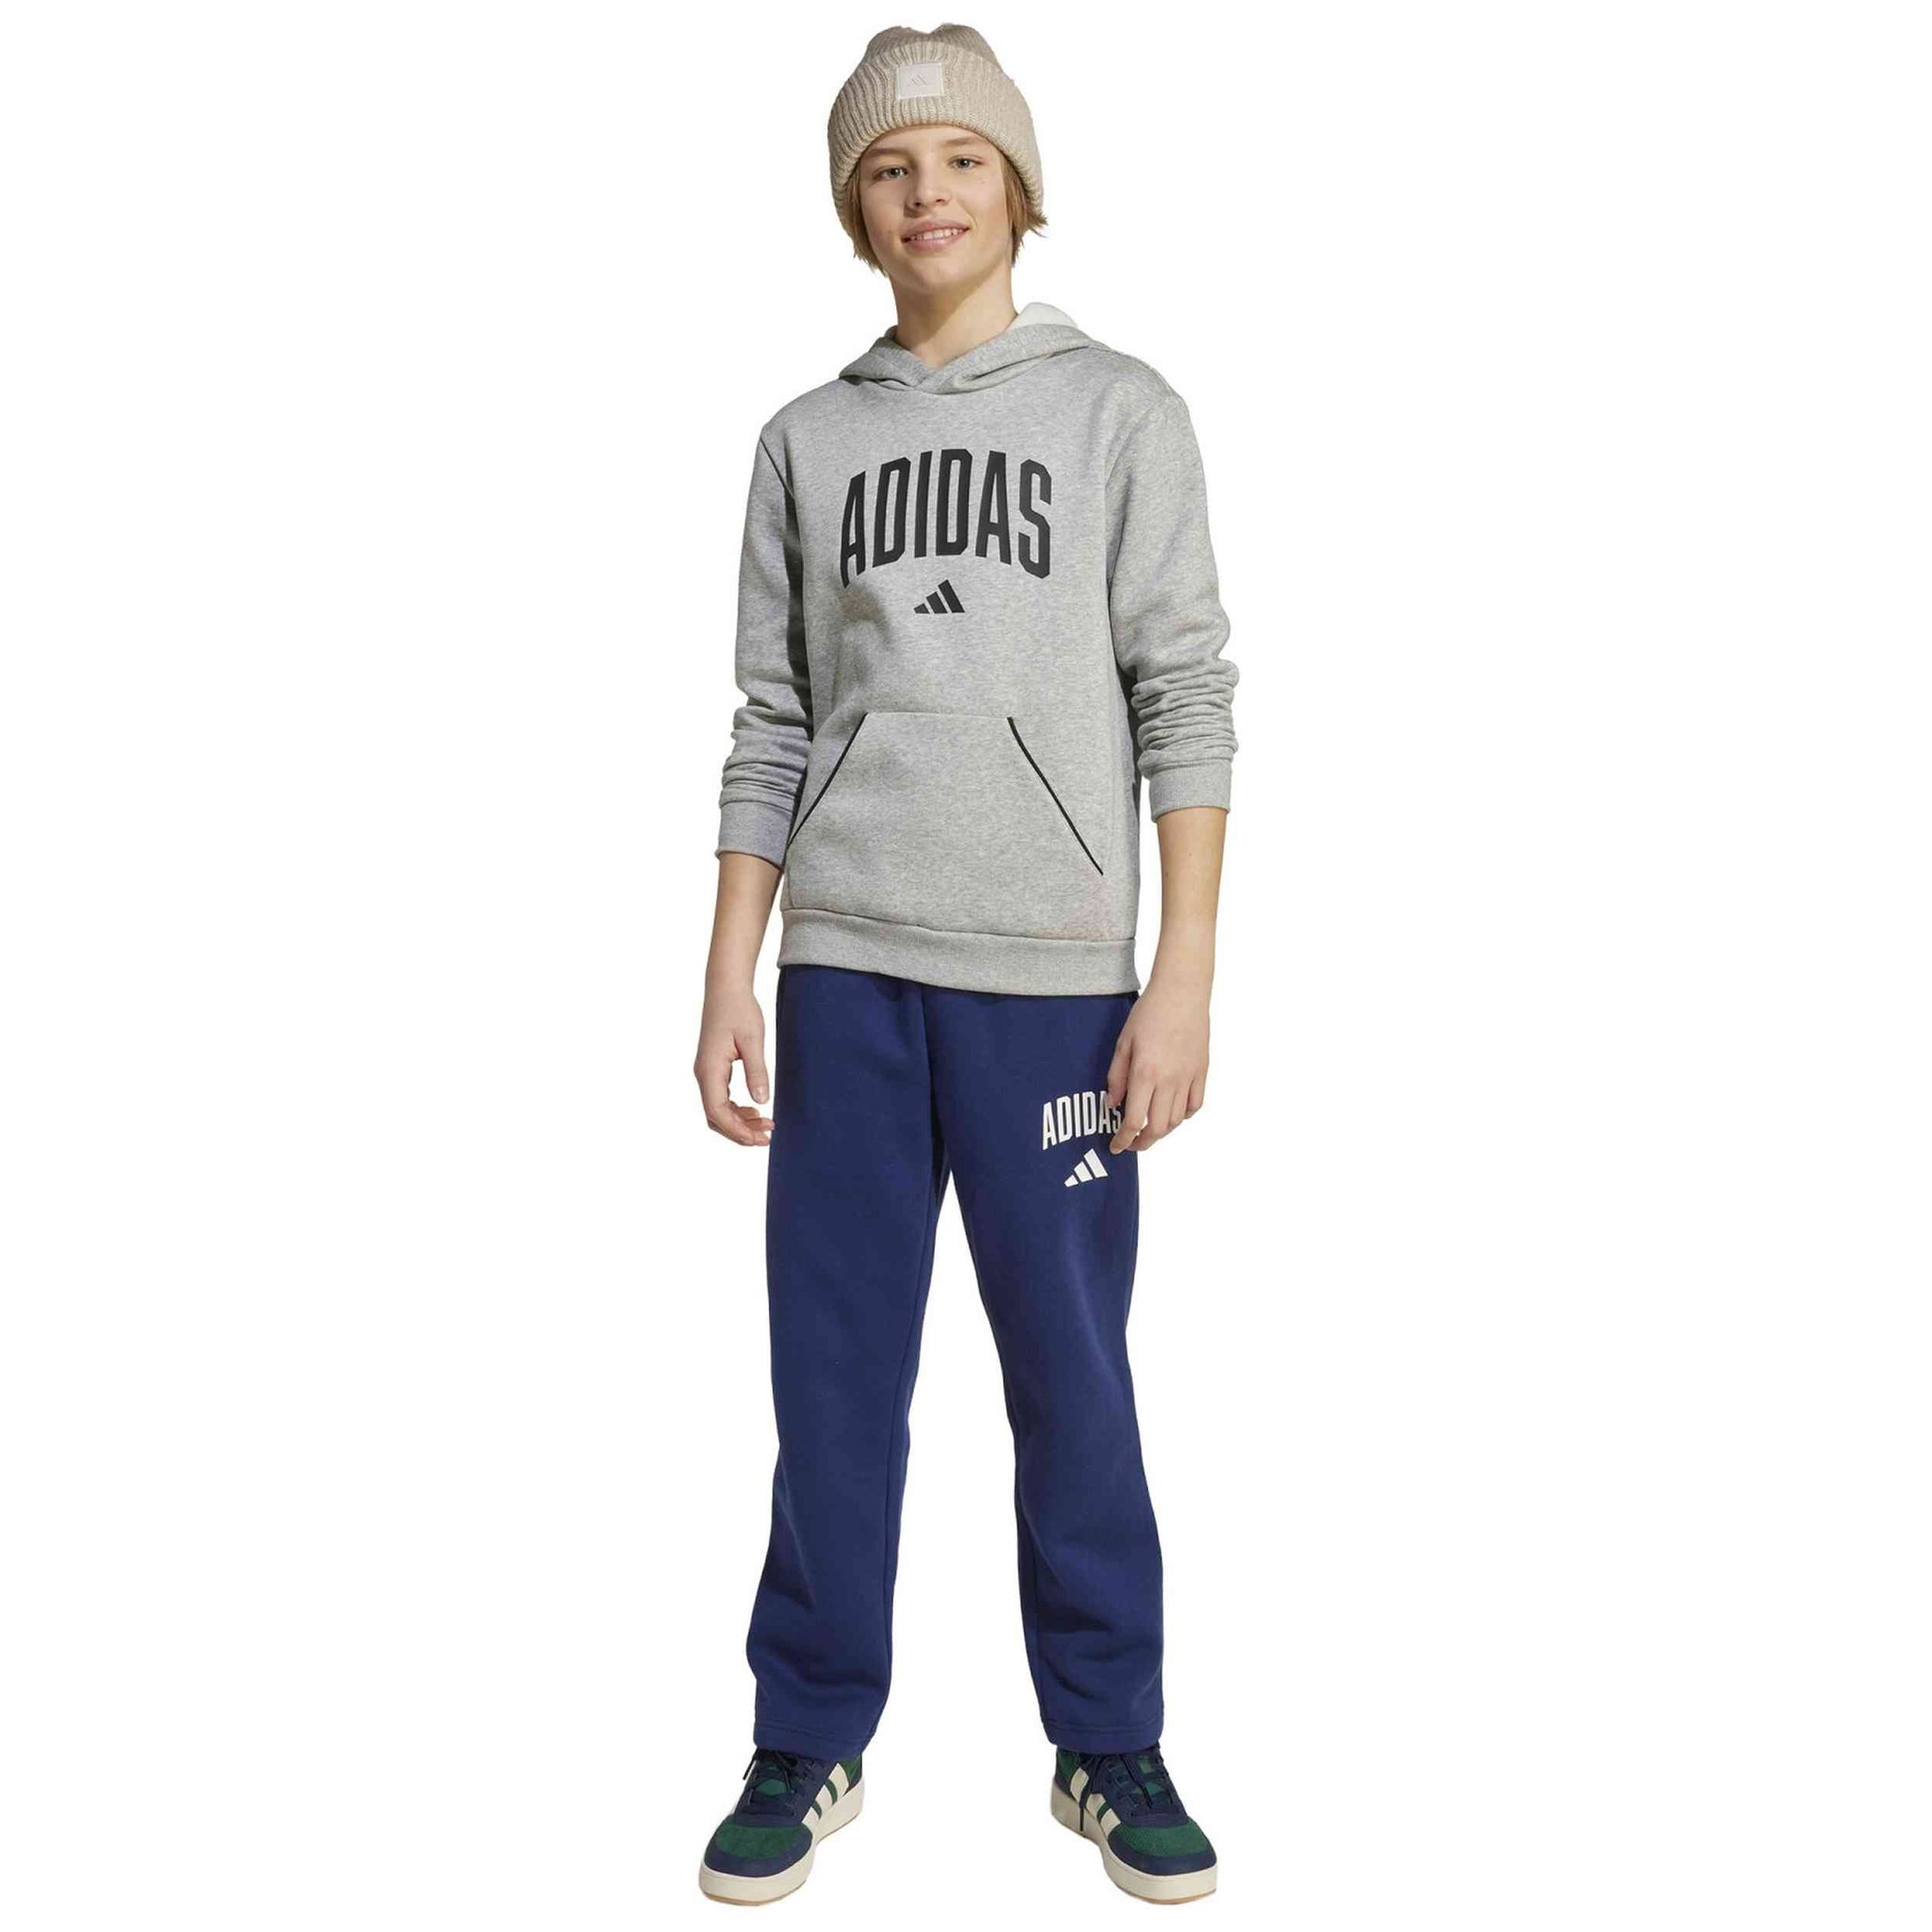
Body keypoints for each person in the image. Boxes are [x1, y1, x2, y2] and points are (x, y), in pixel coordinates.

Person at [692, 24, 1238, 1907]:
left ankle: (1108, 1737)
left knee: (1071, 1378)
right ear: (855, 211)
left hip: (1054, 981)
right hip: (847, 968)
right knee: (833, 1380)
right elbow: (772, 718)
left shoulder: (1120, 416)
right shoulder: (805, 440)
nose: (926, 193)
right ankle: (806, 1730)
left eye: (960, 161)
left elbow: (1185, 693)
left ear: (1018, 189)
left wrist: (1181, 976)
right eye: (888, 169)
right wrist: (731, 970)